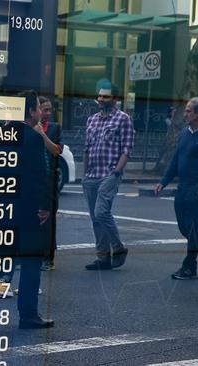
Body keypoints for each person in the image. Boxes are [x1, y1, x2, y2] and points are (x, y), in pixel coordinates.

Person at [0, 90, 54, 329]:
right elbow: (38, 176)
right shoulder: (33, 137)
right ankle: (28, 315)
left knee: (2, 260)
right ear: (30, 111)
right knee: (30, 262)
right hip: (26, 211)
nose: (40, 112)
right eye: (38, 107)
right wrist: (45, 207)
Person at [155, 97, 198, 279]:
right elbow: (175, 160)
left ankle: (189, 266)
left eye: (189, 111)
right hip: (182, 187)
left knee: (192, 227)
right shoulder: (184, 133)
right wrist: (163, 181)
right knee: (185, 227)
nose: (185, 113)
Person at [82, 84, 134, 270]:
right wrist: (85, 174)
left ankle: (118, 248)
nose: (101, 99)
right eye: (100, 96)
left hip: (110, 173)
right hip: (92, 175)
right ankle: (103, 258)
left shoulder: (123, 119)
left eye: (106, 96)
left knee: (101, 212)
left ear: (114, 98)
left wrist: (117, 172)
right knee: (95, 219)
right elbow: (87, 148)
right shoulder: (92, 120)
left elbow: (126, 149)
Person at [35, 96, 62, 271]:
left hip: (49, 179)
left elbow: (56, 151)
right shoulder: (28, 126)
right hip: (33, 179)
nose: (47, 113)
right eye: (44, 109)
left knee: (48, 219)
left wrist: (42, 134)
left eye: (50, 109)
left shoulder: (54, 128)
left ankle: (48, 257)